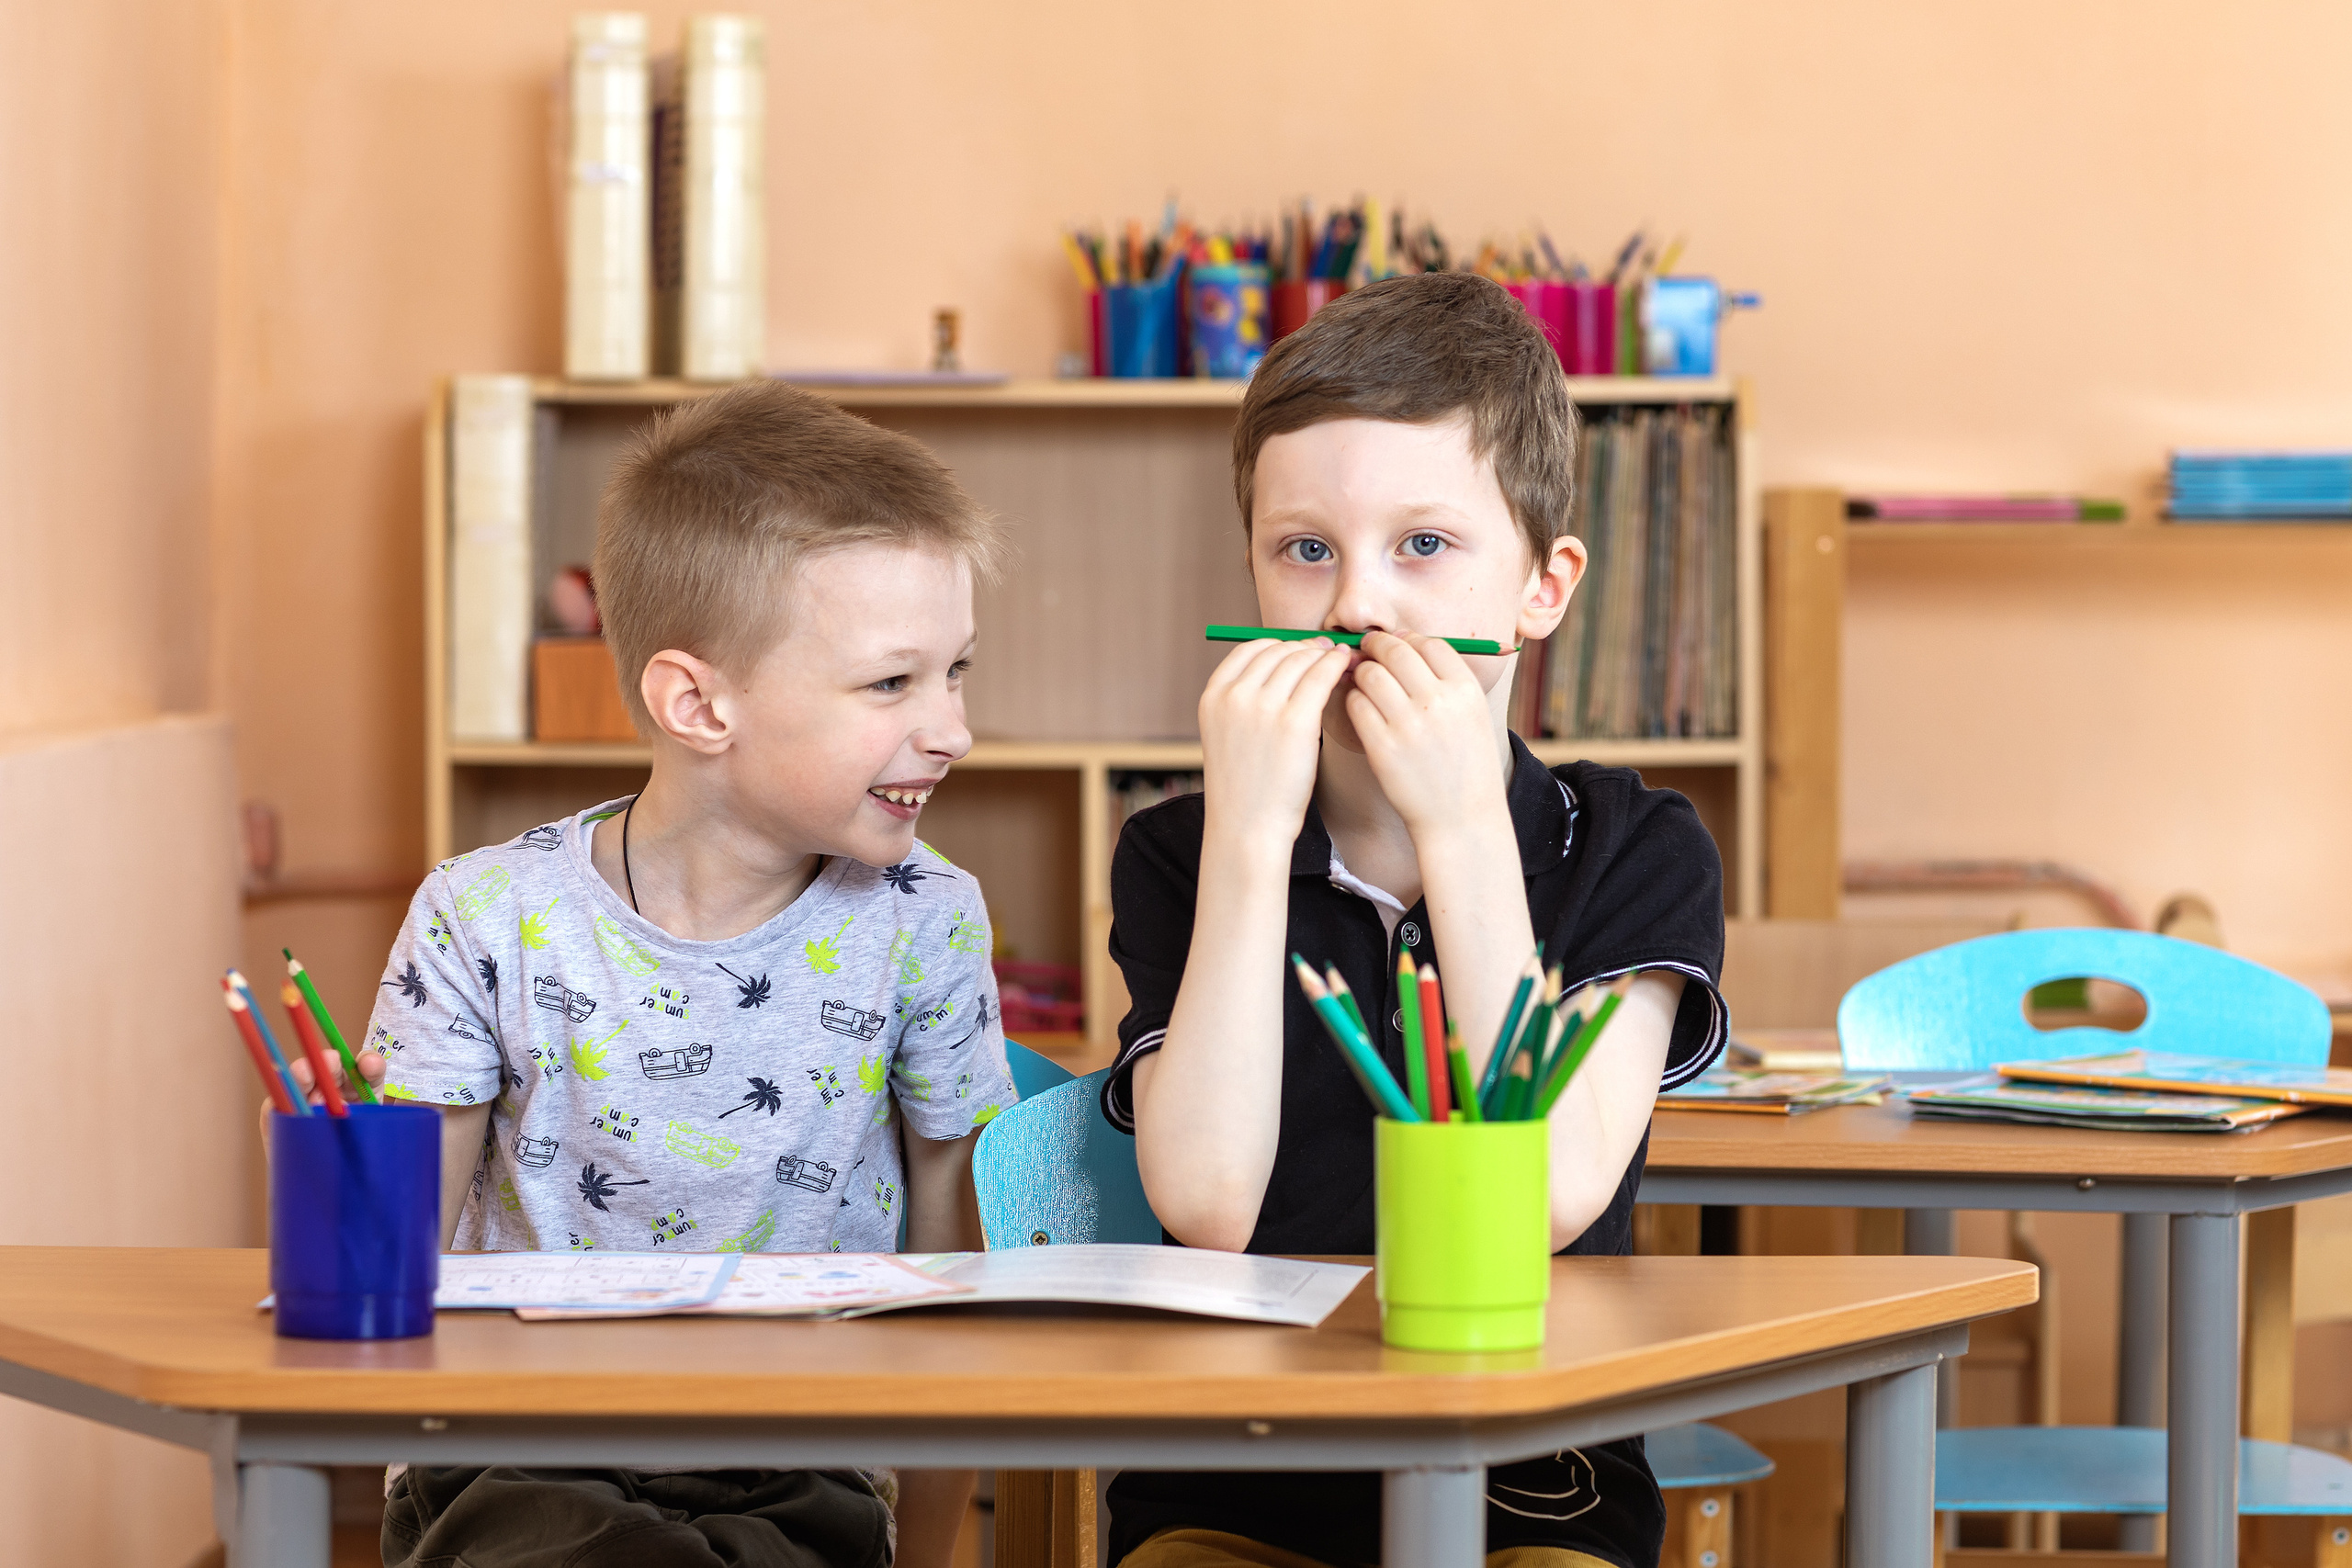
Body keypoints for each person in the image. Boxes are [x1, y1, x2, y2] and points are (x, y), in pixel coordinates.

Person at [303, 380, 1015, 1568]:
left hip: (805, 1462)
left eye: (957, 672)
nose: (951, 727)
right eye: (893, 683)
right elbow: (394, 1286)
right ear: (697, 702)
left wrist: (929, 1550)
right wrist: (351, 1164)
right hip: (517, 1448)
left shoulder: (926, 918)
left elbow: (952, 1289)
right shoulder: (488, 915)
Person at [1102, 273, 1728, 1568]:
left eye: (1423, 548)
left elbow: (1551, 1187)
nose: (1356, 607)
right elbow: (1210, 1202)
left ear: (1542, 588)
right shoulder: (1178, 852)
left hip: (1534, 1482)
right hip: (1237, 1481)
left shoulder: (1636, 851)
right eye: (1307, 550)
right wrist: (1251, 838)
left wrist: (1460, 833)